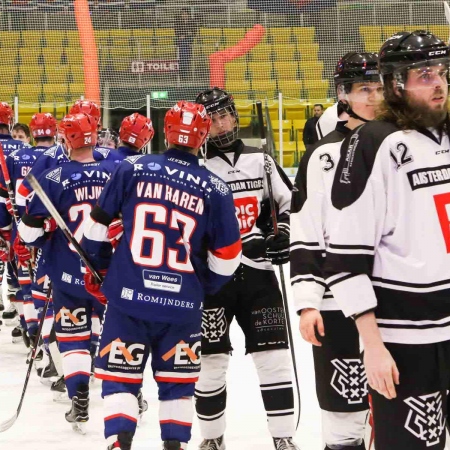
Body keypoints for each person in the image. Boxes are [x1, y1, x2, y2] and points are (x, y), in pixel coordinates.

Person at [81, 101, 242, 450]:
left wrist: (101, 268)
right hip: (182, 308)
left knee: (120, 379)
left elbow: (95, 229)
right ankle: (175, 444)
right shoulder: (216, 187)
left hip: (129, 300)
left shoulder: (131, 167)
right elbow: (228, 258)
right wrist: (203, 288)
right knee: (177, 384)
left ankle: (119, 442)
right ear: (202, 136)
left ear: (165, 130)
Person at [323, 30, 450, 450]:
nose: (439, 83)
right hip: (404, 341)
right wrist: (372, 346)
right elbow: (345, 260)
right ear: (397, 83)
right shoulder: (373, 143)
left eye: (443, 73)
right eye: (425, 74)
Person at [195, 87, 298, 450]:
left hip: (258, 274)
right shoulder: (196, 168)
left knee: (273, 357)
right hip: (212, 280)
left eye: (225, 115)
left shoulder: (261, 161)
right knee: (210, 361)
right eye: (212, 119)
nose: (221, 124)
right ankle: (211, 438)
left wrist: (282, 234)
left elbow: (290, 204)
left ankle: (283, 437)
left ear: (235, 116)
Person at [290, 52, 383, 450]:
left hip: (395, 297)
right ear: (342, 95)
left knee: (398, 413)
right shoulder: (321, 156)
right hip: (335, 300)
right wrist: (308, 300)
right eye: (365, 89)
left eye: (381, 88)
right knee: (343, 417)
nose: (376, 98)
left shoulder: (403, 145)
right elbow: (307, 228)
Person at [17, 112, 118, 434]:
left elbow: (29, 235)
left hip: (66, 272)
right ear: (95, 136)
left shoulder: (54, 178)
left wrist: (44, 226)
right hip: (109, 270)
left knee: (73, 336)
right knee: (115, 334)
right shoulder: (116, 171)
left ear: (65, 140)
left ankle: (79, 399)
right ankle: (134, 395)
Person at [175, 8, 197, 79]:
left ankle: (186, 73)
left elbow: (193, 32)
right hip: (181, 42)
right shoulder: (178, 22)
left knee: (187, 57)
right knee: (181, 57)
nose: (184, 15)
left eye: (185, 13)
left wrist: (186, 34)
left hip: (189, 41)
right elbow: (177, 31)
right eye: (182, 14)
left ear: (188, 14)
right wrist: (184, 34)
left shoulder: (192, 21)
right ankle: (182, 73)